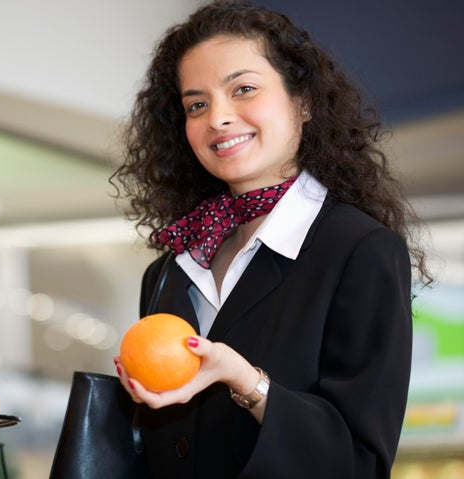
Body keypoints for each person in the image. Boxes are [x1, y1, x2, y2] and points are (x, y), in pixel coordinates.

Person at [110, 1, 431, 477]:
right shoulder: (170, 268)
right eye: (196, 104)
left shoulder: (358, 250)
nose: (218, 118)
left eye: (243, 89)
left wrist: (244, 380)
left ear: (302, 103)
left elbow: (360, 462)